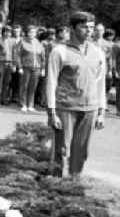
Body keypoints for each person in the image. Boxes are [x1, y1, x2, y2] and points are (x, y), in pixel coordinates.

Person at [46, 11, 106, 179]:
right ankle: (56, 185)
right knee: (62, 150)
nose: (88, 31)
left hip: (90, 109)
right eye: (83, 27)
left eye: (91, 28)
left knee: (81, 151)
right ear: (72, 28)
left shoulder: (98, 52)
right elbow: (51, 82)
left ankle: (74, 184)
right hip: (65, 107)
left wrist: (101, 111)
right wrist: (51, 111)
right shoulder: (60, 51)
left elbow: (100, 84)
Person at [14, 25, 45, 112]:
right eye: (30, 32)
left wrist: (43, 69)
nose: (32, 34)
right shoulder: (22, 42)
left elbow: (43, 57)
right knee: (24, 86)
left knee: (33, 87)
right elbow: (18, 55)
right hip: (26, 67)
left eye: (34, 32)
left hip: (37, 68)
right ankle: (23, 104)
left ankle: (30, 105)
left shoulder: (39, 43)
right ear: (27, 33)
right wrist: (19, 67)